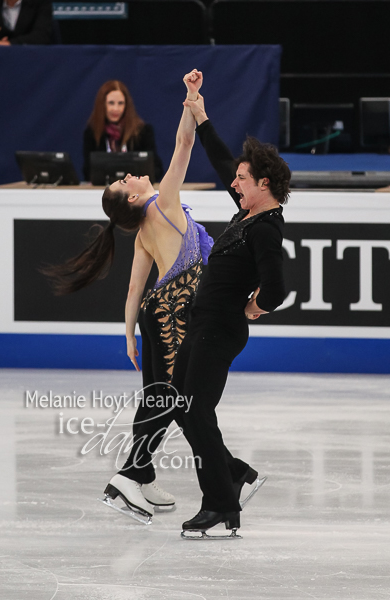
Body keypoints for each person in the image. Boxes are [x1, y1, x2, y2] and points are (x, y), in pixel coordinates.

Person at [116, 87, 291, 537]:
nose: (234, 183)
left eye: (243, 179)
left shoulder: (267, 228)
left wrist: (254, 306)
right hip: (201, 325)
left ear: (264, 184)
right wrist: (202, 114)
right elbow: (219, 161)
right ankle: (231, 481)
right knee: (186, 408)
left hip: (220, 330)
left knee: (194, 411)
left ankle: (220, 503)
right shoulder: (248, 213)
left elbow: (278, 286)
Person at [43, 70, 213, 520]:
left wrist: (128, 336)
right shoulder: (163, 202)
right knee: (173, 398)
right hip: (173, 314)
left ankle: (143, 477)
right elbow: (183, 146)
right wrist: (190, 99)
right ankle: (129, 477)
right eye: (126, 182)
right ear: (135, 199)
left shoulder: (140, 230)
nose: (131, 174)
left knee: (159, 397)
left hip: (153, 317)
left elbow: (136, 289)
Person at [83, 80, 164, 182]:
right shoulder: (92, 133)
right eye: (111, 103)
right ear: (102, 104)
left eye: (120, 103)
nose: (116, 108)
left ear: (126, 105)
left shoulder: (143, 132)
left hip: (135, 191)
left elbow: (156, 169)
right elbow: (88, 172)